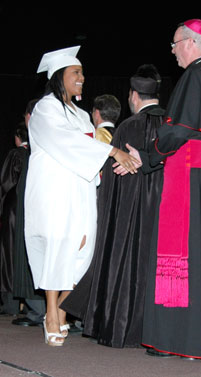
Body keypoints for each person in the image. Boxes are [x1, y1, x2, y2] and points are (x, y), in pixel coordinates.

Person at [123, 19, 201, 359]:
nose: (173, 51)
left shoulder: (196, 75)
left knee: (183, 256)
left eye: (175, 44)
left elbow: (177, 133)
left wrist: (148, 157)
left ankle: (179, 341)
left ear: (190, 42)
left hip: (187, 177)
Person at [24, 45, 139, 347]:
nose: (82, 78)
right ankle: (52, 313)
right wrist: (111, 149)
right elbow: (65, 141)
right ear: (59, 76)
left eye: (83, 73)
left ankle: (63, 306)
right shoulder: (46, 108)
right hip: (54, 190)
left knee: (84, 254)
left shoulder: (81, 114)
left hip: (81, 189)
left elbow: (86, 148)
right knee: (57, 247)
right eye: (76, 73)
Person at [61, 64, 165, 348]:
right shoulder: (172, 126)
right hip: (164, 214)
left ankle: (122, 325)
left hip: (129, 218)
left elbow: (112, 186)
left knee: (127, 264)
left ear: (133, 95)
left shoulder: (128, 127)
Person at [11, 99, 46, 328]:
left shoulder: (37, 145)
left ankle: (37, 312)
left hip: (34, 206)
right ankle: (41, 310)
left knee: (32, 254)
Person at [0, 123, 29, 315]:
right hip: (32, 208)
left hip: (14, 209)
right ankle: (28, 303)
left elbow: (5, 182)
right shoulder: (36, 153)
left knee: (8, 255)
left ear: (18, 138)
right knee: (26, 255)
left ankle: (9, 303)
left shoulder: (16, 154)